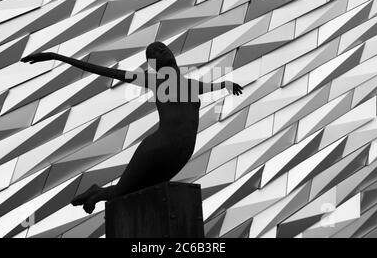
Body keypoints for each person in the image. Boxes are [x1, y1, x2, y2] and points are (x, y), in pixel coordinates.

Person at [21, 41, 243, 214]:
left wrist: (226, 85)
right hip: (158, 149)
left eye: (162, 48)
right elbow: (106, 71)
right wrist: (55, 56)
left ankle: (97, 193)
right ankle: (96, 194)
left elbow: (213, 86)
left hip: (181, 153)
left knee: (139, 193)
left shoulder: (190, 84)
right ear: (153, 66)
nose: (160, 50)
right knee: (126, 193)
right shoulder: (155, 81)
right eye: (154, 53)